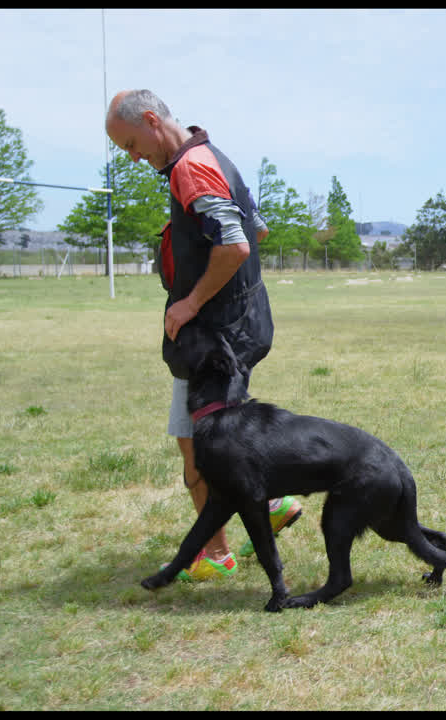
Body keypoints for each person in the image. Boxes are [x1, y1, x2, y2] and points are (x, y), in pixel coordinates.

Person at [105, 89, 301, 580]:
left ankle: (215, 554)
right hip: (241, 326)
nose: (133, 157)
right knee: (223, 432)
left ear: (152, 120)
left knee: (194, 441)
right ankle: (271, 504)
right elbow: (256, 230)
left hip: (214, 338)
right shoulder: (214, 155)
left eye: (131, 143)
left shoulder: (191, 168)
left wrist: (193, 301)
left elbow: (235, 245)